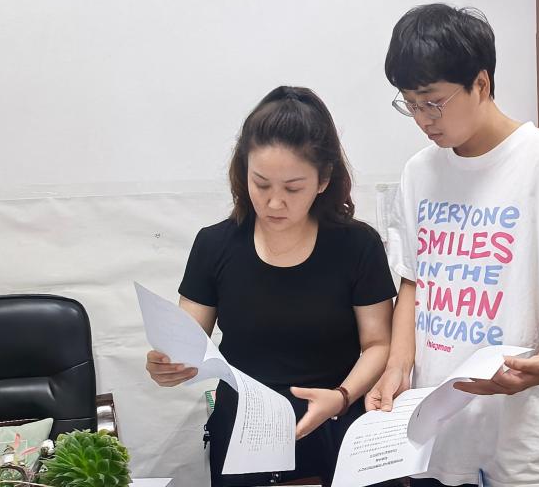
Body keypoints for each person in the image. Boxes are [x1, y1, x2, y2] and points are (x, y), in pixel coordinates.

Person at [366, 4, 539, 487]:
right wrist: (398, 365)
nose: (422, 119)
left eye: (432, 102)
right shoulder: (420, 172)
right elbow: (413, 283)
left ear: (480, 84)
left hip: (517, 431)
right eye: (410, 104)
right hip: (435, 425)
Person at [146, 86, 396, 487]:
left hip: (337, 420)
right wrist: (168, 366)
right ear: (243, 171)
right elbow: (187, 342)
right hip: (246, 432)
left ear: (323, 180)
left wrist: (342, 397)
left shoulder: (357, 245)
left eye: (292, 188)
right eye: (260, 184)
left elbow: (379, 344)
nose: (274, 203)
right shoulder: (215, 245)